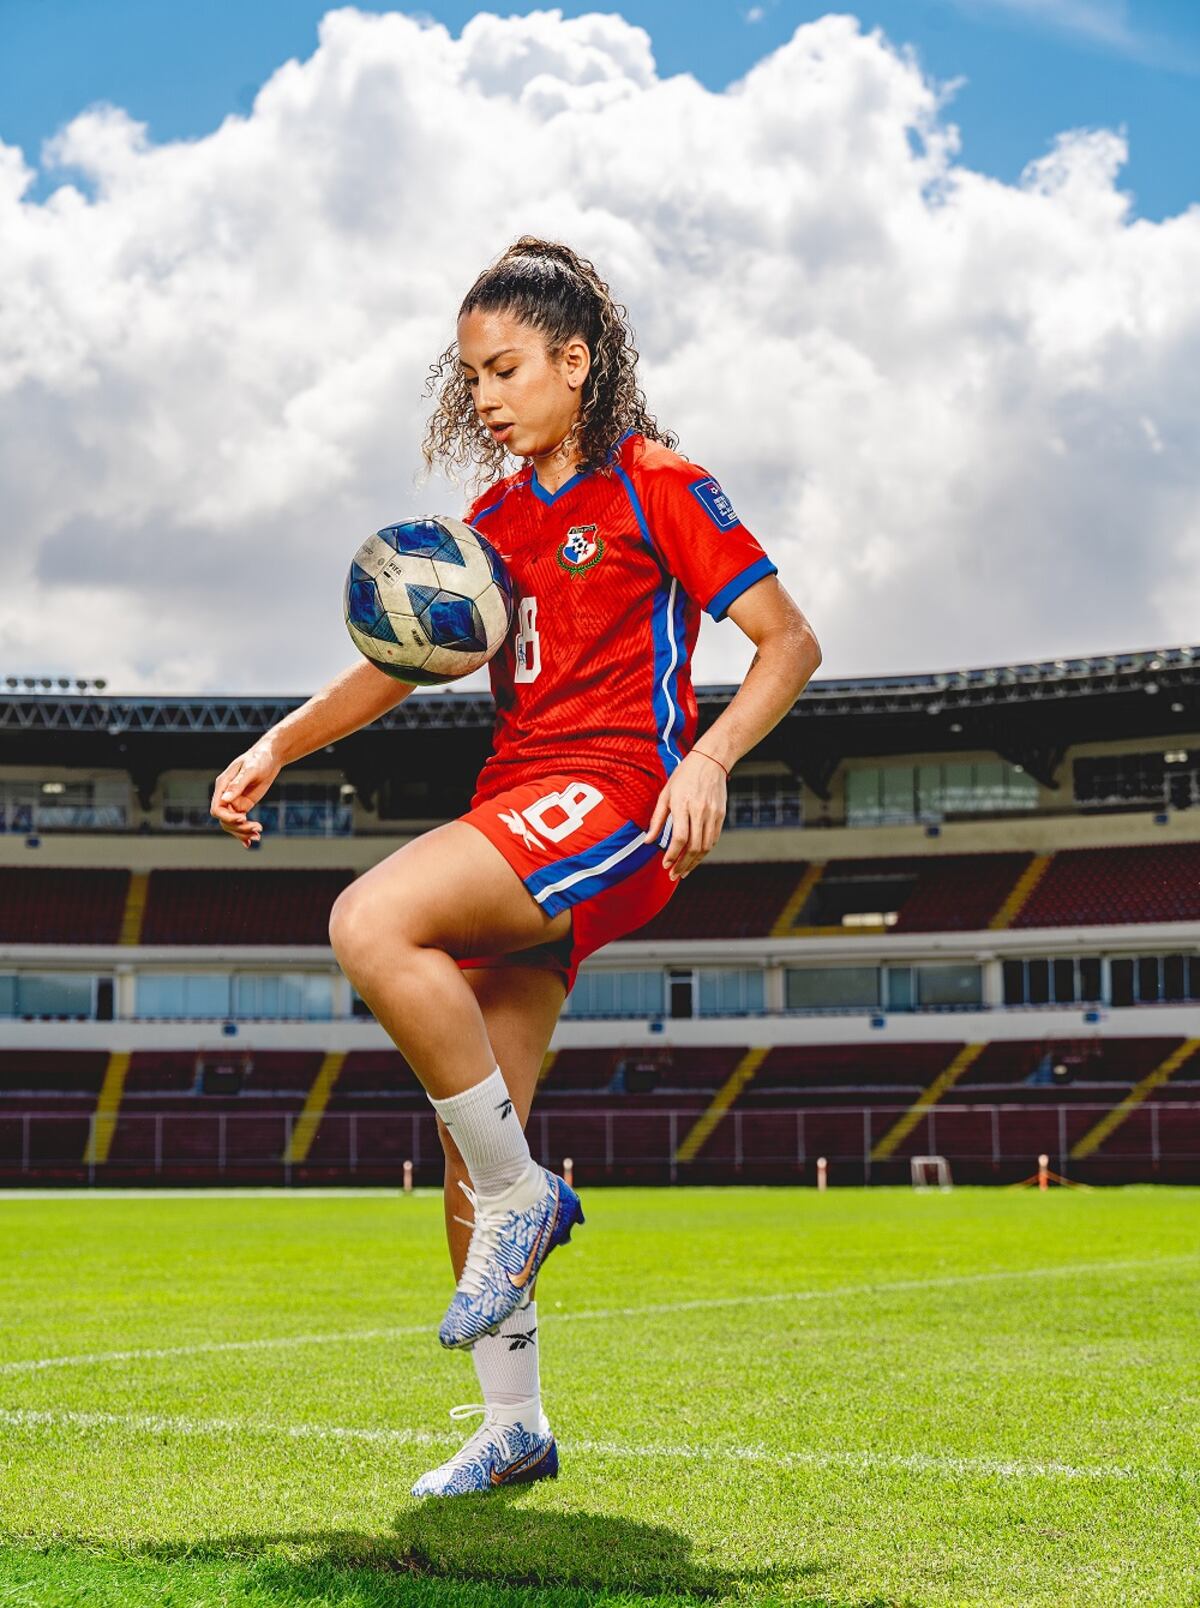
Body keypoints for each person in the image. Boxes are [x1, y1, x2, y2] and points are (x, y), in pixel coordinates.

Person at [210, 236, 822, 1497]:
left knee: (372, 922)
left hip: (616, 798)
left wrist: (708, 760)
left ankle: (524, 1196)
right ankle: (514, 1425)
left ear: (575, 362)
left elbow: (788, 641)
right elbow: (393, 665)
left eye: (504, 369)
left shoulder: (656, 482)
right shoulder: (488, 525)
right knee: (471, 1138)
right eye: (470, 375)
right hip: (520, 808)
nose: (483, 395)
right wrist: (277, 744)